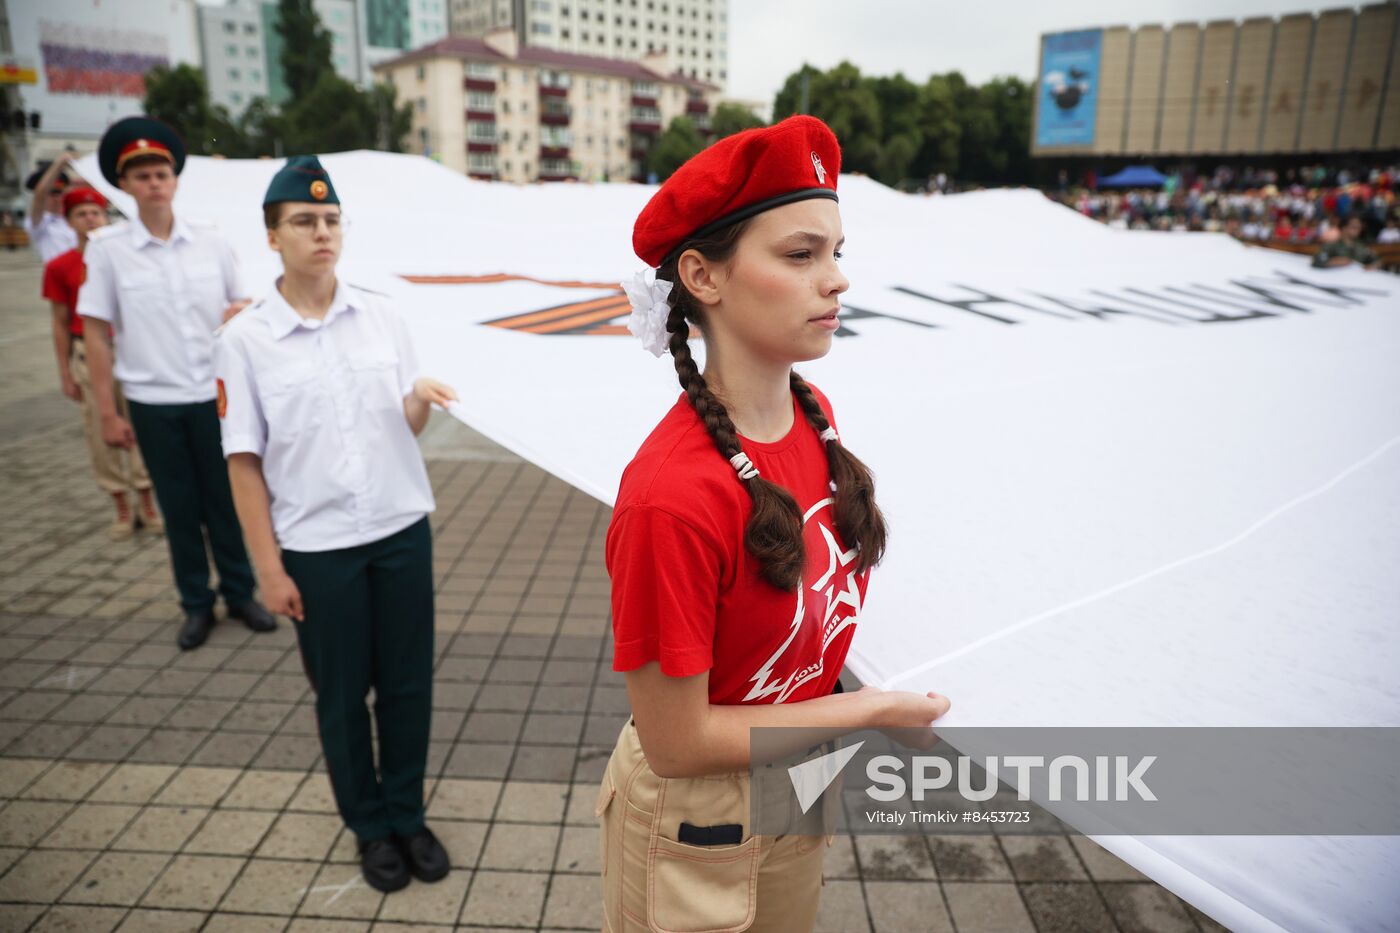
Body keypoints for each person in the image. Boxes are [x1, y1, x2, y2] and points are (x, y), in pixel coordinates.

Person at [597, 116, 951, 932]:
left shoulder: (809, 409)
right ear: (703, 276)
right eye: (800, 255)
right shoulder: (670, 497)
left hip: (797, 777)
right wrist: (865, 712)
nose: (836, 281)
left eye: (836, 252)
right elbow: (678, 742)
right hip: (696, 816)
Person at [215, 156, 456, 894]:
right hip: (317, 548)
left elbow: (401, 426)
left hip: (398, 529)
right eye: (303, 222)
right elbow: (244, 462)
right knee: (342, 693)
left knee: (409, 685)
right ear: (272, 236)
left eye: (330, 220)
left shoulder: (381, 312)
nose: (321, 232)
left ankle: (408, 812)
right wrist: (268, 568)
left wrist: (416, 398)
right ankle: (371, 826)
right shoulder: (246, 338)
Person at [77, 115, 276, 650]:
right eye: (140, 175)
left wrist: (240, 311)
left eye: (161, 172)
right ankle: (195, 603)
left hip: (213, 398)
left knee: (226, 500)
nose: (153, 183)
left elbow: (244, 308)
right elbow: (97, 335)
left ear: (176, 178)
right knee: (179, 507)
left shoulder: (210, 242)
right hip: (152, 399)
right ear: (124, 185)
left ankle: (240, 592)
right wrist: (107, 411)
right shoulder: (108, 249)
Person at [41, 185, 160, 540]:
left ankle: (147, 500)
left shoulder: (124, 255)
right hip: (87, 351)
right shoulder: (60, 266)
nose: (91, 219)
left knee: (140, 424)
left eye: (96, 212)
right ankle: (121, 506)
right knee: (99, 429)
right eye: (82, 214)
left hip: (128, 346)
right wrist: (65, 372)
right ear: (70, 221)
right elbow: (60, 322)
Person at [24, 154, 80, 262]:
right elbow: (41, 193)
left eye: (60, 193)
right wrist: (60, 164)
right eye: (52, 194)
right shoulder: (40, 223)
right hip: (58, 276)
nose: (57, 198)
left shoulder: (73, 218)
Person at [1311, 215, 1379, 269]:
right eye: (1354, 227)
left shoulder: (1361, 247)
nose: (1358, 229)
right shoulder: (1332, 245)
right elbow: (1317, 260)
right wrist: (1332, 262)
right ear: (1344, 228)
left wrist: (1373, 265)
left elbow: (1375, 259)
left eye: (1359, 227)